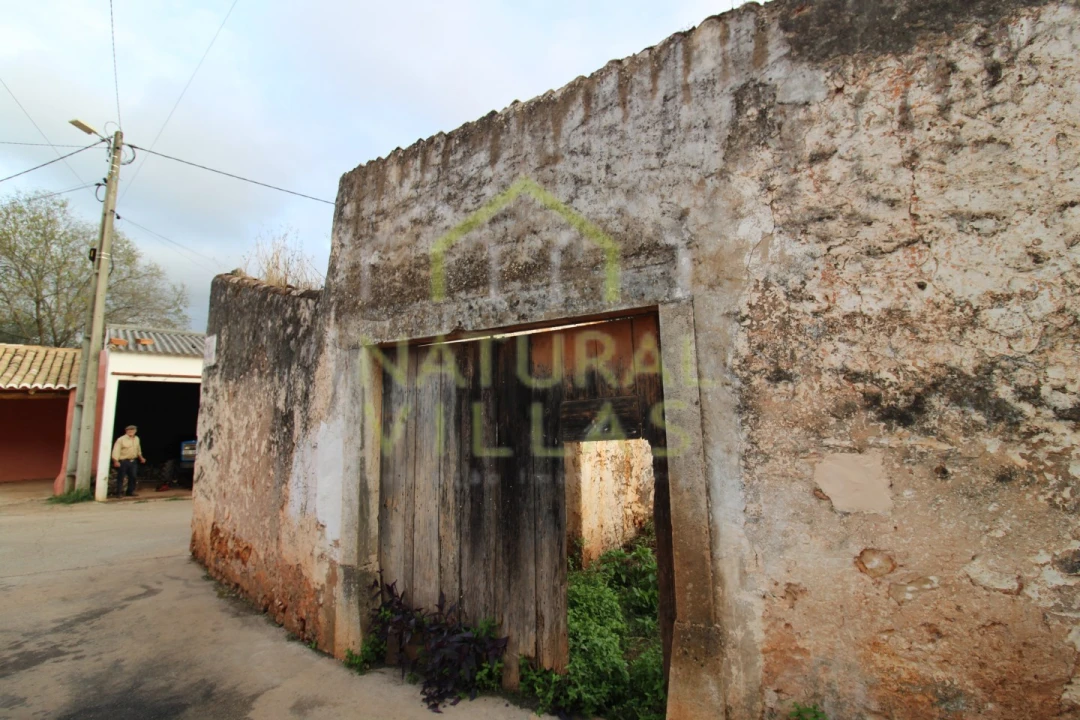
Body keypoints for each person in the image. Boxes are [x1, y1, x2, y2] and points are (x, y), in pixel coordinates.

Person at [111, 425, 146, 497]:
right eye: (128, 430)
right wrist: (115, 461)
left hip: (133, 461)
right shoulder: (121, 439)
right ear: (126, 431)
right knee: (121, 477)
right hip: (123, 461)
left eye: (132, 430)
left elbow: (138, 449)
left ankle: (130, 492)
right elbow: (116, 450)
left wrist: (141, 458)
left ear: (135, 431)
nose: (130, 432)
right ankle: (119, 493)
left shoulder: (137, 439)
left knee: (133, 476)